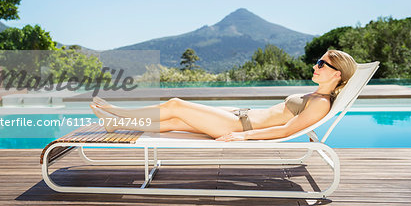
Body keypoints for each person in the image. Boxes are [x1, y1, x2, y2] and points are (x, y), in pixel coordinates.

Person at [90, 50, 357, 141]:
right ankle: (118, 123)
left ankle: (117, 111)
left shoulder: (321, 103)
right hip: (238, 117)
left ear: (337, 74)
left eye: (322, 64)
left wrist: (243, 135)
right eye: (317, 61)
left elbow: (286, 130)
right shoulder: (315, 95)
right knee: (174, 123)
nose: (315, 66)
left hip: (239, 126)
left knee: (176, 105)